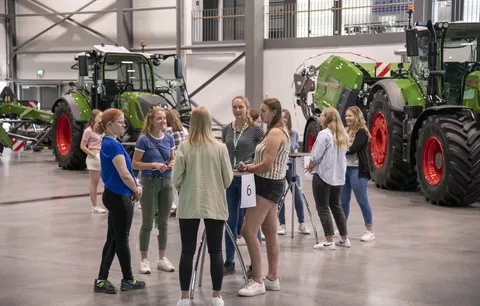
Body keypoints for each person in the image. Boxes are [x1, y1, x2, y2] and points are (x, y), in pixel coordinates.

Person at [172, 106, 233, 306]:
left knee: (186, 251)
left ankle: (183, 297)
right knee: (216, 251)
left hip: (189, 202)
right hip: (214, 202)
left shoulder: (184, 147)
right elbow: (228, 179)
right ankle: (217, 296)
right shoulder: (220, 147)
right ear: (208, 123)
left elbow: (176, 178)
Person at [236, 98, 290, 297]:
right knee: (269, 231)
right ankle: (272, 278)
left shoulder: (275, 133)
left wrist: (248, 167)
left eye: (264, 111)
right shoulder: (273, 131)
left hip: (267, 185)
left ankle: (257, 280)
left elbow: (267, 164)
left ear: (274, 112)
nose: (261, 114)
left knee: (248, 231)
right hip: (269, 184)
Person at [93, 108, 145, 294]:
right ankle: (127, 279)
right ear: (109, 124)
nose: (124, 125)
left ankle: (102, 279)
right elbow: (124, 174)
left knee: (114, 238)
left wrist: (135, 183)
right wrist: (136, 188)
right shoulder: (112, 146)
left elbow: (124, 172)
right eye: (121, 121)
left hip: (113, 195)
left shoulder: (109, 143)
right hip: (120, 197)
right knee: (121, 239)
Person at [221, 96, 264, 276]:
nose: (237, 110)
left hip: (248, 179)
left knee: (252, 222)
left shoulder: (256, 130)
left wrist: (251, 164)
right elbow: (224, 151)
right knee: (230, 220)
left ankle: (255, 264)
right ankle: (229, 261)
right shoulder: (226, 129)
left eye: (240, 107)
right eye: (234, 107)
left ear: (247, 108)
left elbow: (262, 151)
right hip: (231, 179)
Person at [132, 107, 176, 274]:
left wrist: (171, 163)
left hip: (166, 180)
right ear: (151, 120)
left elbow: (172, 157)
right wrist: (153, 165)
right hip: (149, 181)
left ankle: (162, 258)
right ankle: (144, 259)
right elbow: (135, 163)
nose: (162, 121)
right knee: (148, 221)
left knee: (163, 221)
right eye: (159, 118)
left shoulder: (169, 139)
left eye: (164, 118)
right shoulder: (143, 140)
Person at [306, 107, 350, 250]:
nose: (320, 118)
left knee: (323, 207)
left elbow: (316, 155)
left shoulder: (324, 134)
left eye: (322, 115)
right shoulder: (342, 134)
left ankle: (329, 241)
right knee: (336, 206)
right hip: (338, 177)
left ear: (327, 118)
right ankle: (344, 239)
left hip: (323, 175)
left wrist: (309, 165)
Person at [341, 106, 375, 242]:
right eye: (346, 116)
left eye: (350, 116)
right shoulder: (346, 131)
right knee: (343, 201)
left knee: (362, 200)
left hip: (357, 170)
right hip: (345, 169)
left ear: (357, 117)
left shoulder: (362, 131)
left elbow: (354, 148)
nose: (347, 118)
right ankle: (342, 227)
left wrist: (339, 149)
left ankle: (369, 230)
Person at [277, 109, 310, 235]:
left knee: (297, 194)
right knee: (280, 196)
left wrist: (295, 151)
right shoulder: (275, 133)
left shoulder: (294, 133)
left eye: (285, 117)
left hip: (292, 166)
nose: (283, 119)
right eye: (281, 117)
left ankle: (301, 223)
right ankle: (282, 224)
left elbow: (295, 147)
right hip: (280, 167)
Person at [80, 109, 106, 213]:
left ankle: (106, 204)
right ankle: (95, 205)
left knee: (106, 181)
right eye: (100, 117)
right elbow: (82, 146)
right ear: (94, 118)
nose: (101, 119)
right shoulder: (88, 131)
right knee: (94, 182)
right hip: (94, 157)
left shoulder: (103, 130)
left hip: (104, 156)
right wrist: (93, 155)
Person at [165, 109, 188, 215]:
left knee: (173, 186)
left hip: (173, 160)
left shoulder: (168, 131)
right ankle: (181, 207)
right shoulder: (183, 129)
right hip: (184, 159)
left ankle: (173, 207)